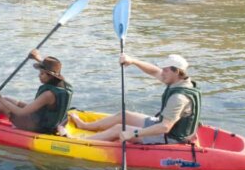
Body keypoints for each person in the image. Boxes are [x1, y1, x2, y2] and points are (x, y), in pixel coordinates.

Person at [70, 53, 200, 144]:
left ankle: (80, 142)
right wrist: (133, 61)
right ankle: (86, 126)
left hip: (170, 137)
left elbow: (164, 128)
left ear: (176, 71)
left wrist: (134, 134)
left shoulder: (179, 97)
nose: (162, 73)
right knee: (124, 115)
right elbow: (154, 71)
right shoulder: (180, 81)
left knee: (119, 128)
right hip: (164, 125)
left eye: (165, 70)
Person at [0, 49, 73, 134]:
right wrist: (37, 58)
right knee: (8, 99)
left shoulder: (48, 95)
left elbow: (21, 113)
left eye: (42, 74)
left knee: (2, 104)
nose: (39, 76)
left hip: (39, 127)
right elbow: (51, 68)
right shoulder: (62, 83)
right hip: (48, 121)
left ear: (51, 76)